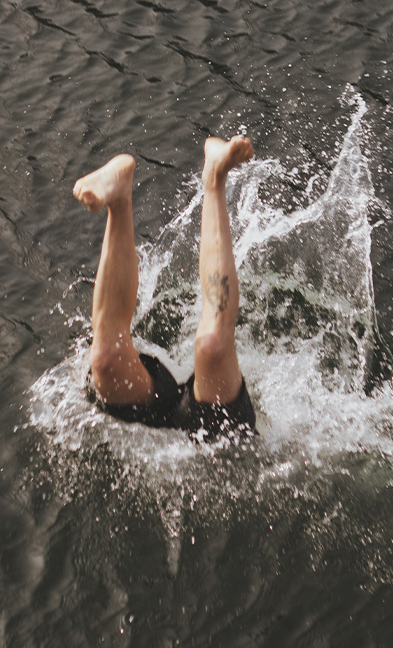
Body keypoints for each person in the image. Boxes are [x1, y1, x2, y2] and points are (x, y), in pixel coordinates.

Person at [73, 135, 257, 441]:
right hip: (220, 437)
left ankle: (212, 177)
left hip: (178, 433)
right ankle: (122, 196)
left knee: (209, 345)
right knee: (107, 358)